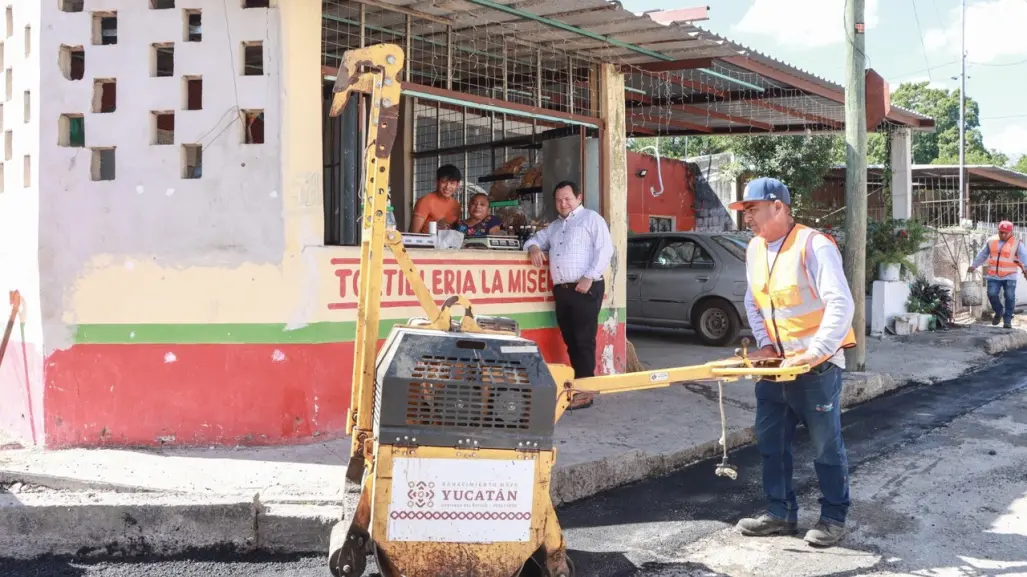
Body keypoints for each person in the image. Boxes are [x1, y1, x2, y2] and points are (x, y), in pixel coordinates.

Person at [728, 177, 857, 548]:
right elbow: (755, 302)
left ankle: (833, 516)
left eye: (752, 210)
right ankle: (780, 512)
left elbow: (840, 303)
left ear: (779, 207)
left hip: (817, 368)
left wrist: (816, 350)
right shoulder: (754, 249)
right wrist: (766, 345)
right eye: (745, 211)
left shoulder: (813, 244)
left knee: (825, 446)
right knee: (771, 442)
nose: (747, 218)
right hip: (776, 367)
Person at [525, 181, 613, 410]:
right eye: (559, 200)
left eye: (567, 198)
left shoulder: (592, 219)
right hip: (563, 291)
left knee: (583, 340)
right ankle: (580, 387)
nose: (563, 203)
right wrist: (534, 248)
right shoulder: (554, 226)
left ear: (579, 198)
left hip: (585, 287)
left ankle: (585, 393)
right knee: (571, 340)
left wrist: (589, 276)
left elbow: (605, 250)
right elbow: (534, 239)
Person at [967, 220, 1027, 329]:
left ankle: (1007, 320)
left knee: (1009, 297)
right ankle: (999, 312)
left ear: (1011, 232)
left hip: (1010, 275)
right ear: (998, 231)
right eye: (1001, 232)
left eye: (1006, 233)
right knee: (991, 294)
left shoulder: (1017, 243)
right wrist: (974, 265)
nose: (1003, 235)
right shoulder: (991, 241)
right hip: (993, 275)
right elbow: (982, 255)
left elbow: (1025, 257)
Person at [410, 164, 463, 234]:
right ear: (437, 182)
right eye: (444, 182)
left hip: (448, 244)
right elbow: (413, 234)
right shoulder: (425, 202)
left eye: (452, 183)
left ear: (458, 184)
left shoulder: (456, 205)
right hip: (426, 244)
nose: (447, 187)